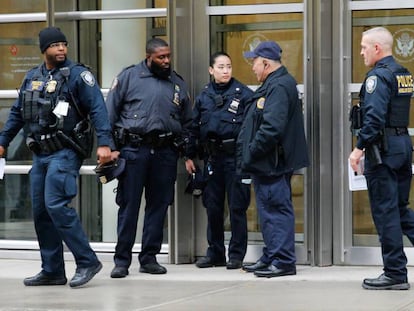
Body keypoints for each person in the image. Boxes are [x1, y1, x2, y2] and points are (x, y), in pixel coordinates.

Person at [0, 27, 114, 288]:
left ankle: (87, 261)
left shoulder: (77, 76)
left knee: (56, 205)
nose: (61, 49)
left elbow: (98, 108)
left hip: (65, 152)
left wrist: (105, 143)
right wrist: (3, 141)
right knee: (41, 212)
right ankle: (52, 270)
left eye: (64, 44)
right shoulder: (32, 77)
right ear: (44, 50)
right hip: (40, 154)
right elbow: (17, 113)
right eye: (55, 45)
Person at [106, 38, 193, 278]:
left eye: (168, 56)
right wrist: (110, 147)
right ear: (149, 57)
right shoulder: (129, 77)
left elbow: (188, 121)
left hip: (165, 153)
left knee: (159, 206)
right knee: (129, 206)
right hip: (134, 151)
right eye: (161, 57)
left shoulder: (176, 82)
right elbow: (109, 115)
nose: (166, 61)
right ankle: (122, 260)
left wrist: (187, 152)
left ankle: (149, 257)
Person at [349, 27, 414, 290]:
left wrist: (358, 148)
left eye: (365, 47)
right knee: (399, 209)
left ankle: (395, 273)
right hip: (402, 146)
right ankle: (395, 270)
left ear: (377, 48)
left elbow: (374, 118)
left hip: (384, 151)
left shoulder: (377, 77)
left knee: (386, 212)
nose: (361, 52)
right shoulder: (402, 73)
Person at [237, 41, 309, 278]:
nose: (253, 68)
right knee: (268, 211)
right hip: (267, 161)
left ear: (266, 63)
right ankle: (272, 255)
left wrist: (251, 152)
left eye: (255, 63)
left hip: (271, 161)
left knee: (276, 209)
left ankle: (284, 260)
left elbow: (271, 128)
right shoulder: (274, 84)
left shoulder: (278, 86)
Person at [185, 52, 253, 270]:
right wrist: (189, 155)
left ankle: (236, 255)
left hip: (236, 159)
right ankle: (215, 253)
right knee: (213, 208)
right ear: (211, 70)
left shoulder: (244, 94)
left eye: (229, 67)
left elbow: (251, 129)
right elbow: (193, 127)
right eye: (221, 67)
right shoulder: (204, 96)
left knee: (237, 207)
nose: (226, 71)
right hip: (212, 158)